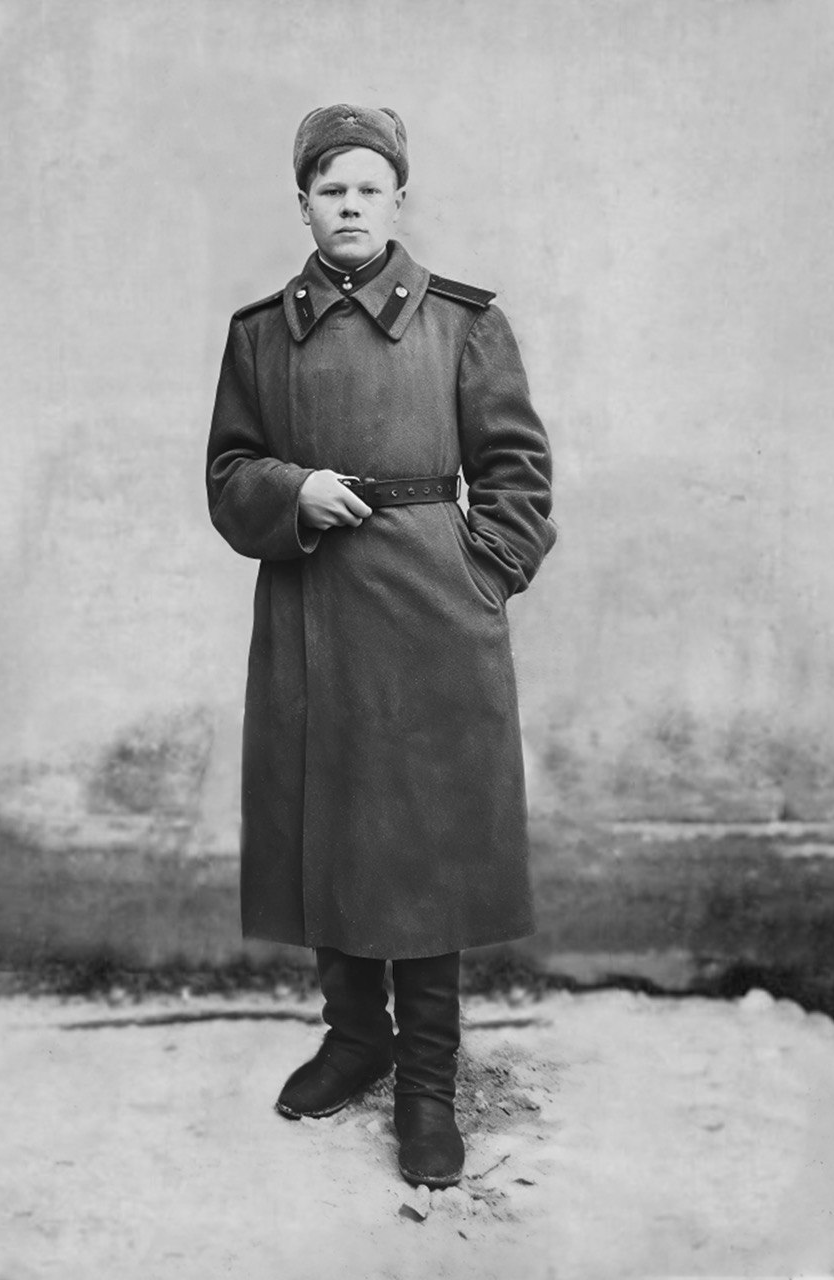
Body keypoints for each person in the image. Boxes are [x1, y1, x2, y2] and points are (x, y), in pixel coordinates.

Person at [206, 104, 556, 1189]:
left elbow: (516, 474)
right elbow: (227, 473)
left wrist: (479, 577)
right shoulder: (260, 334)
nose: (350, 206)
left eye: (368, 188)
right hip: (310, 605)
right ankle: (355, 1036)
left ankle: (426, 1080)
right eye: (331, 190)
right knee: (328, 824)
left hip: (431, 617)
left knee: (423, 842)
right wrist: (291, 491)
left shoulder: (461, 322)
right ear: (302, 205)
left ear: (398, 202)